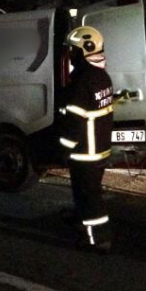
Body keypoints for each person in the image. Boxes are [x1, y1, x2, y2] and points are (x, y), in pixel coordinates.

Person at [58, 26, 114, 252]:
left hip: (85, 151)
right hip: (99, 148)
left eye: (73, 50)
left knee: (89, 197)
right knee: (88, 193)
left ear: (84, 51)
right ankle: (84, 225)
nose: (70, 54)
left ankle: (98, 240)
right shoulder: (101, 76)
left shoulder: (82, 82)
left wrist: (64, 149)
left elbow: (75, 123)